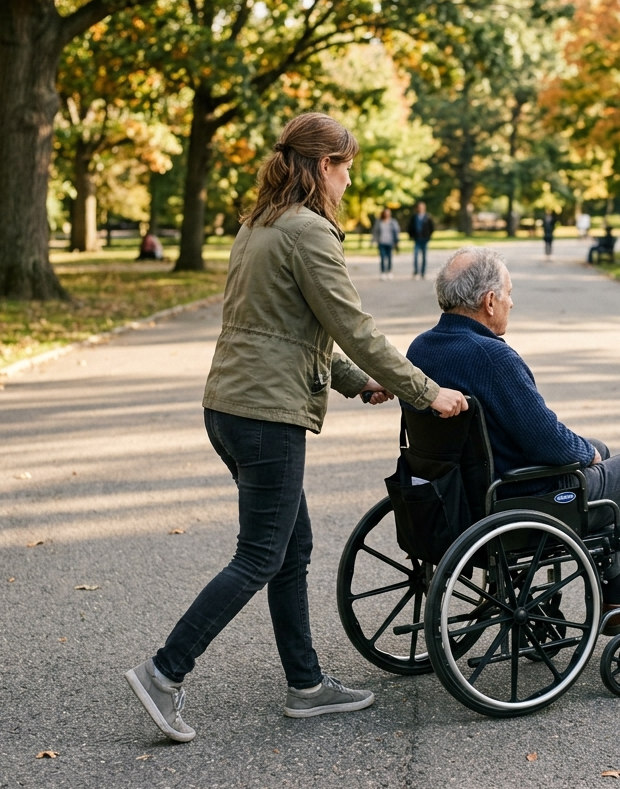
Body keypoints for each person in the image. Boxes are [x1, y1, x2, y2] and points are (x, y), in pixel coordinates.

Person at [124, 113, 468, 744]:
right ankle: (163, 673)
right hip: (264, 416)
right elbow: (352, 325)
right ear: (318, 167)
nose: (346, 180)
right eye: (343, 167)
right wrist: (426, 392)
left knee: (290, 546)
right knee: (260, 553)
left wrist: (354, 381)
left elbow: (285, 333)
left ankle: (305, 686)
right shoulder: (309, 231)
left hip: (230, 406)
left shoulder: (260, 225)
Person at [405, 247, 620, 642]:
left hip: (459, 495)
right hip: (525, 497)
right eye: (508, 292)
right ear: (489, 301)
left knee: (602, 450)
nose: (513, 301)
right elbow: (548, 443)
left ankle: (616, 597)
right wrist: (585, 454)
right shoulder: (492, 357)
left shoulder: (421, 348)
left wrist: (589, 450)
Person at [406, 201, 434, 278]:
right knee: (415, 256)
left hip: (424, 239)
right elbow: (410, 227)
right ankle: (416, 272)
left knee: (424, 257)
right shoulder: (414, 217)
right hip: (417, 239)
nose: (421, 209)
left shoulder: (428, 217)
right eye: (419, 207)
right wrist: (411, 236)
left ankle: (423, 272)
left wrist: (428, 236)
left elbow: (431, 228)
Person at [371, 208, 400, 280]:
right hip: (381, 242)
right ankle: (383, 272)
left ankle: (389, 272)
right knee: (383, 258)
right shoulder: (379, 222)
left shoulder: (393, 222)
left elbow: (397, 232)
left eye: (388, 213)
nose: (387, 214)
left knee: (390, 258)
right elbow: (375, 232)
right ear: (383, 213)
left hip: (390, 242)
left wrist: (397, 242)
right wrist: (373, 241)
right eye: (386, 213)